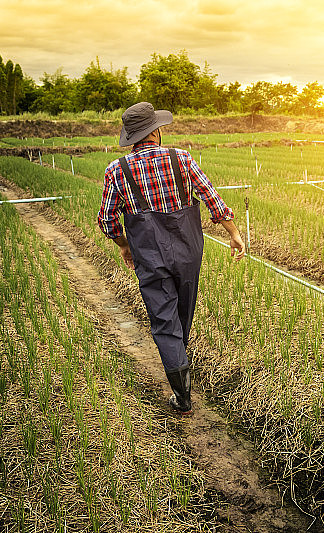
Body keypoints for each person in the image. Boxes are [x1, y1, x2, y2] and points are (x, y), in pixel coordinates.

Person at [97, 101, 245, 416]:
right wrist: (233, 233)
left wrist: (124, 245)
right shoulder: (181, 159)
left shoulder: (116, 170)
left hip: (149, 256)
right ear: (157, 131)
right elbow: (212, 200)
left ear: (131, 137)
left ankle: (183, 397)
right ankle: (181, 369)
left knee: (165, 322)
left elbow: (108, 222)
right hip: (188, 250)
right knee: (182, 313)